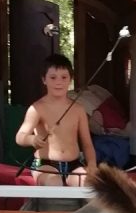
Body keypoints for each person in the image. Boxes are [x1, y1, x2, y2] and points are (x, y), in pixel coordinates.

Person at [15, 54, 97, 186]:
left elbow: (87, 144)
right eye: (53, 77)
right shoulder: (36, 108)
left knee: (88, 184)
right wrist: (31, 139)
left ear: (70, 79)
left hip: (74, 166)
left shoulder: (78, 109)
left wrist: (92, 165)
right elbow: (20, 137)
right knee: (54, 183)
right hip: (46, 165)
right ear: (44, 79)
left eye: (64, 77)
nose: (58, 82)